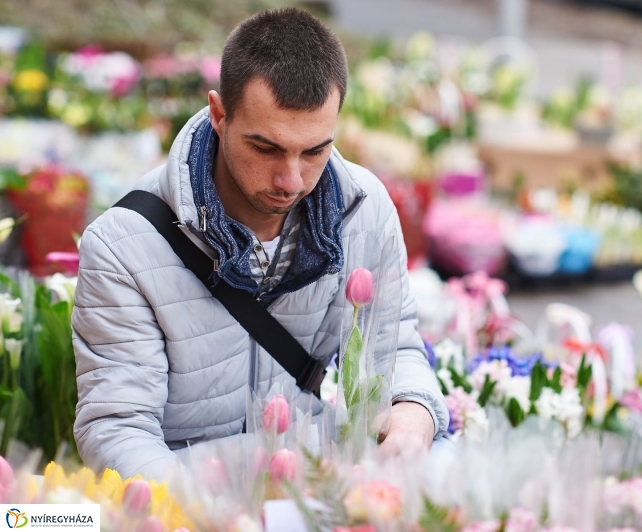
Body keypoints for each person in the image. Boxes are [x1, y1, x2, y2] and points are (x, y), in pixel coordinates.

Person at [72, 7, 448, 479]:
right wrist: (206, 513)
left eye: (314, 151)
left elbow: (396, 350)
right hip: (185, 494)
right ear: (219, 114)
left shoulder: (365, 210)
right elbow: (117, 427)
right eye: (266, 148)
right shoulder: (124, 244)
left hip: (312, 487)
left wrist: (414, 412)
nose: (291, 180)